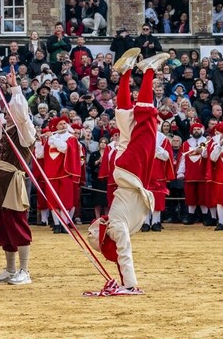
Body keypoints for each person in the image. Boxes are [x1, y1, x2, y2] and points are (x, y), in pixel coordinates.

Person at [86, 50, 167, 296]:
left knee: (146, 124)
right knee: (125, 119)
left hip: (129, 174)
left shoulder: (118, 228)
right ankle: (126, 72)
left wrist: (129, 284)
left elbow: (124, 252)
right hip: (127, 174)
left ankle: (149, 70)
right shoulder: (118, 225)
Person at [0, 71, 36, 286]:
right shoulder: (5, 130)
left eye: (8, 111)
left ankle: (24, 270)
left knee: (17, 223)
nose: (5, 113)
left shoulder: (25, 131)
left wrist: (15, 89)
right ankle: (10, 268)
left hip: (13, 181)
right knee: (3, 225)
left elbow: (21, 112)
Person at [41, 117, 82, 233]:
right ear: (56, 127)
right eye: (60, 124)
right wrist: (40, 141)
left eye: (65, 124)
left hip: (65, 173)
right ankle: (57, 224)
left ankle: (64, 224)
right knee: (53, 201)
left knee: (66, 200)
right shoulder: (50, 139)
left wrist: (52, 137)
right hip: (52, 173)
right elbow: (40, 155)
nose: (63, 126)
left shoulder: (71, 138)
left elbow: (64, 149)